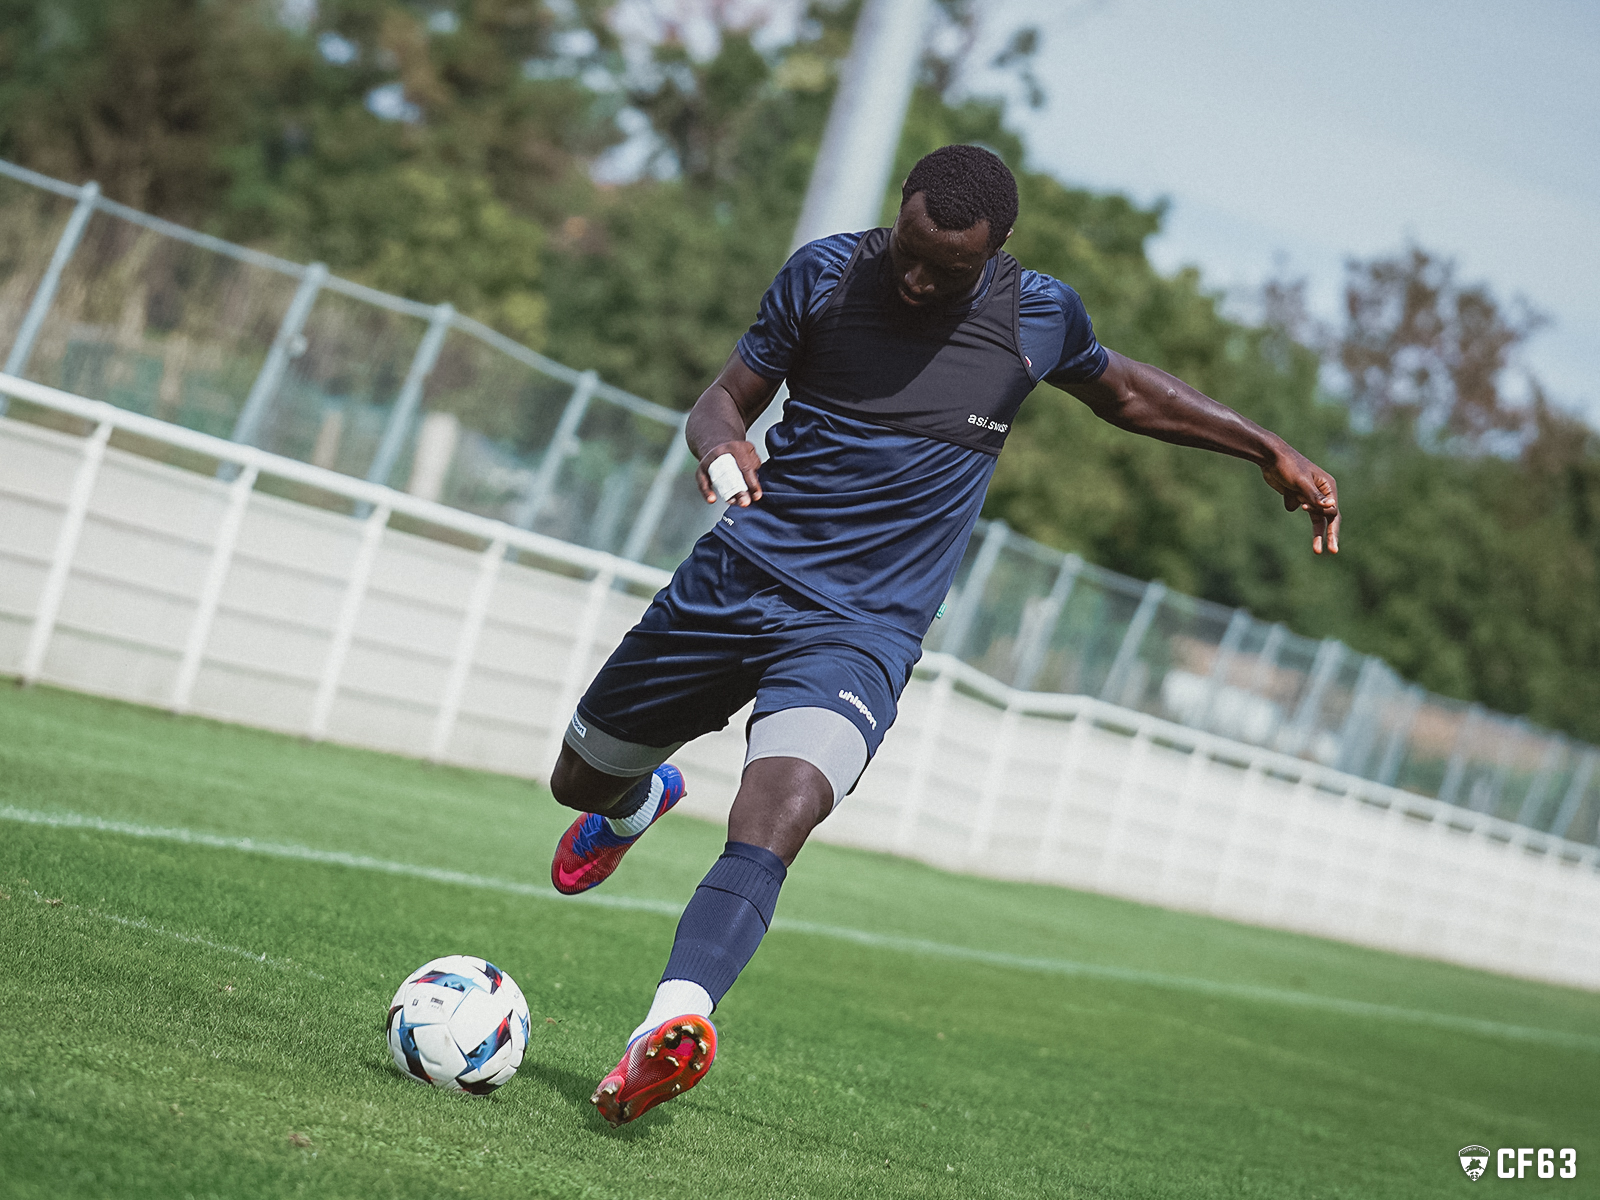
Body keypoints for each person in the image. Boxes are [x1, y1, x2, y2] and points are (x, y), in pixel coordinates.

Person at [546, 144, 1340, 1127]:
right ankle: (634, 803)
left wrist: (1265, 446)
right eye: (909, 252)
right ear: (899, 215)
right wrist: (720, 445)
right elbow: (723, 399)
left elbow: (1125, 390)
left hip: (860, 628)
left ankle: (668, 1027)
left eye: (945, 267)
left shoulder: (1036, 315)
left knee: (780, 807)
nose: (918, 277)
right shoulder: (825, 275)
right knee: (577, 781)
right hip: (731, 586)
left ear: (996, 251)